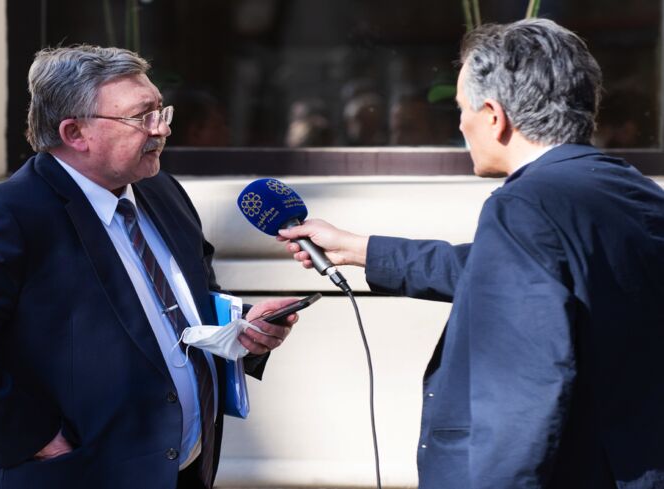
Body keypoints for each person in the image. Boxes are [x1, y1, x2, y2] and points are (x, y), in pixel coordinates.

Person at [0, 45, 300, 489]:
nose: (161, 129)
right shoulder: (11, 215)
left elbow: (189, 306)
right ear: (75, 132)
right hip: (74, 475)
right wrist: (32, 436)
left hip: (177, 471)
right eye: (142, 117)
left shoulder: (161, 191)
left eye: (162, 111)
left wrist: (243, 332)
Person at [279, 19, 664, 489]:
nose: (460, 124)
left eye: (462, 109)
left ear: (494, 116)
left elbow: (520, 389)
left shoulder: (523, 205)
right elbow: (512, 276)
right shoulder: (631, 190)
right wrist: (361, 250)